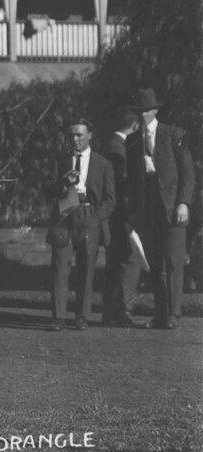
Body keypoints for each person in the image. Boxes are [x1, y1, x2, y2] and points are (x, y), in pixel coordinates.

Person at [125, 88, 195, 330]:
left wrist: (183, 203)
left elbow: (188, 173)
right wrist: (135, 211)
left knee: (174, 261)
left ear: (155, 110)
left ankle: (173, 314)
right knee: (155, 263)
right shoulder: (133, 141)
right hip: (149, 208)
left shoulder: (173, 134)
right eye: (139, 111)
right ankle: (160, 314)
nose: (143, 115)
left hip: (173, 207)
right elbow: (132, 181)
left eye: (147, 110)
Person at [46, 119, 115, 331]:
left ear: (90, 135)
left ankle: (82, 316)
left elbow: (110, 200)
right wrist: (63, 183)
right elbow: (47, 191)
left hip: (89, 216)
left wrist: (95, 217)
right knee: (59, 268)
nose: (75, 139)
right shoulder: (61, 162)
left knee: (86, 270)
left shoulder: (103, 164)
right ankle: (58, 317)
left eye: (80, 135)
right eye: (72, 135)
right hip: (64, 217)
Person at [100, 108, 139, 326]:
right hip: (120, 213)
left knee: (114, 261)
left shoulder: (109, 144)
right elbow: (120, 184)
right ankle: (124, 310)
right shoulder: (119, 149)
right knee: (129, 258)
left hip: (111, 214)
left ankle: (110, 311)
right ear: (134, 127)